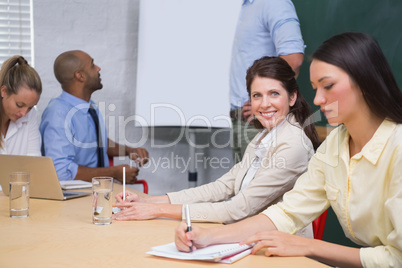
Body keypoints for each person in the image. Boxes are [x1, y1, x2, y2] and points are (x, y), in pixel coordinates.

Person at [175, 32, 402, 268]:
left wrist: (310, 247)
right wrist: (207, 237)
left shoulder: (398, 146)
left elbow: (398, 258)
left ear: (365, 81)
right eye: (315, 88)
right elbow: (287, 212)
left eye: (328, 86)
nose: (318, 99)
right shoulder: (335, 143)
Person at [112, 57, 320, 226]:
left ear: (292, 98)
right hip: (247, 239)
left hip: (279, 250)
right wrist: (149, 201)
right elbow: (221, 187)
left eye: (274, 94)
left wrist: (156, 210)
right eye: (257, 95)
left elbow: (238, 208)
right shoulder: (264, 137)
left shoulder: (292, 144)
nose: (264, 104)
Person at [40, 50, 149, 183]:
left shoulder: (90, 107)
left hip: (97, 193)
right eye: (92, 65)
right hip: (74, 199)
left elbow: (97, 142)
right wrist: (113, 173)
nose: (98, 68)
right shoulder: (57, 113)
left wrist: (128, 150)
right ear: (80, 76)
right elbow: (61, 172)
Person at [230, 0, 305, 163]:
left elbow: (293, 57)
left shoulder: (274, 3)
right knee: (241, 185)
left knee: (257, 186)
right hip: (241, 117)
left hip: (259, 120)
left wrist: (264, 103)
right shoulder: (246, 6)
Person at [0, 56, 42, 156]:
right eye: (19, 105)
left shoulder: (30, 115)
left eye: (30, 107)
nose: (24, 113)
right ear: (4, 91)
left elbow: (33, 161)